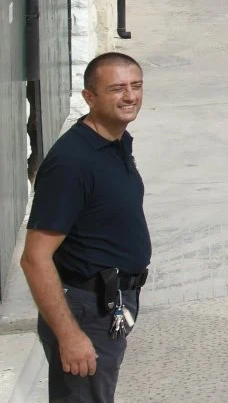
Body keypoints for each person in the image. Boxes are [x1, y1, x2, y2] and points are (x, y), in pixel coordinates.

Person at [21, 52, 151, 403]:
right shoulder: (72, 163)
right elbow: (34, 259)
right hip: (84, 312)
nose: (130, 96)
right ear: (89, 97)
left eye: (135, 85)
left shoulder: (115, 141)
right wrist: (70, 335)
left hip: (110, 304)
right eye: (117, 88)